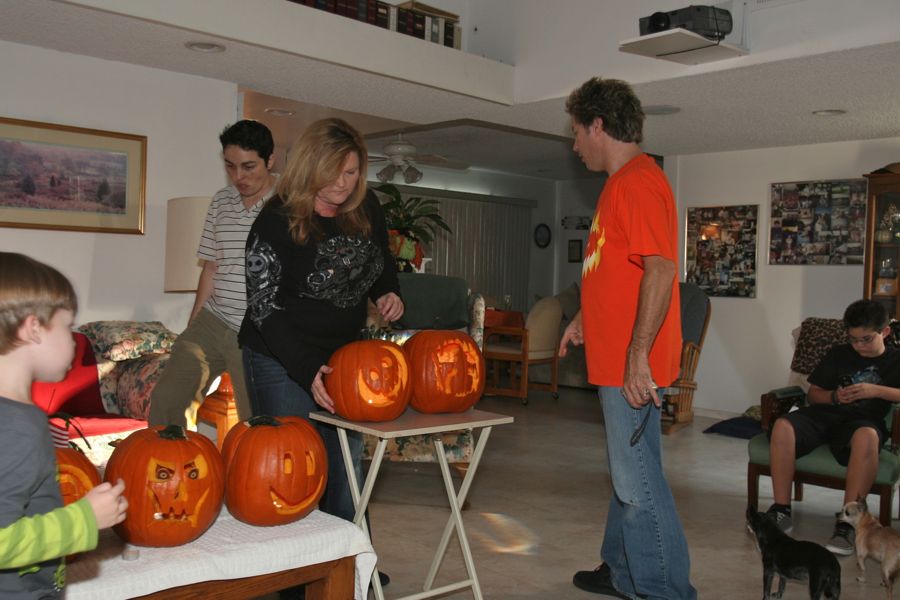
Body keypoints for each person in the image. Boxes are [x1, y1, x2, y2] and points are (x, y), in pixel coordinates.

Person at [560, 77, 697, 599]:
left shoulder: (638, 181)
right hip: (617, 359)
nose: (574, 146)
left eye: (577, 133)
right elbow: (617, 273)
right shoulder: (621, 184)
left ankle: (664, 591)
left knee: (639, 488)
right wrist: (583, 320)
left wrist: (637, 355)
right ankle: (620, 570)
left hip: (629, 368)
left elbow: (661, 271)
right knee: (630, 474)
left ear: (599, 124)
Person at [239, 117, 403, 524]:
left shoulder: (365, 209)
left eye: (351, 172)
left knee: (348, 469)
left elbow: (381, 260)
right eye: (333, 173)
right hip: (280, 358)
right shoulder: (275, 221)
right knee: (294, 475)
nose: (343, 184)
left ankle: (352, 569)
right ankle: (299, 582)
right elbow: (263, 307)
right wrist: (305, 367)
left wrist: (387, 290)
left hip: (342, 359)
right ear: (310, 167)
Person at [0, 252, 128, 598]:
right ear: (33, 329)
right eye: (68, 326)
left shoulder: (18, 417)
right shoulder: (15, 429)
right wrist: (83, 520)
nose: (74, 341)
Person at [149, 120, 277, 429]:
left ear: (270, 161)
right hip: (213, 319)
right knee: (167, 400)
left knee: (256, 423)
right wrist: (193, 323)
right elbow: (211, 265)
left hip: (256, 329)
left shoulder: (289, 203)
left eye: (248, 167)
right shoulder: (221, 200)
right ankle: (168, 471)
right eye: (230, 167)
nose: (238, 177)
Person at [765, 299, 900, 555]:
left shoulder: (896, 360)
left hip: (864, 420)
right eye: (853, 339)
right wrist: (835, 397)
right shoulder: (838, 354)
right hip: (824, 414)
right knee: (782, 426)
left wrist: (876, 391)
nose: (859, 346)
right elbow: (813, 395)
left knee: (867, 436)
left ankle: (848, 523)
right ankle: (781, 510)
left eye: (866, 339)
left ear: (885, 332)